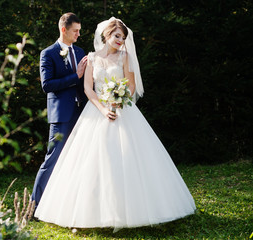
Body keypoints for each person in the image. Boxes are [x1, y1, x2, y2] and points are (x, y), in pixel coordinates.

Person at [34, 17, 196, 229]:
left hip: (122, 111)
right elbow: (88, 88)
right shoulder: (90, 57)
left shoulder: (125, 57)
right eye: (117, 36)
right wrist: (102, 108)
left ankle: (132, 210)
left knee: (128, 159)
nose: (121, 40)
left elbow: (131, 84)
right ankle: (65, 208)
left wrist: (120, 100)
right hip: (94, 112)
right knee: (85, 162)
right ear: (106, 35)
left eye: (123, 37)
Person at [31, 13, 88, 208]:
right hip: (61, 116)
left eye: (79, 31)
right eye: (75, 31)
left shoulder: (80, 52)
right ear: (64, 30)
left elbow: (87, 83)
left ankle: (68, 204)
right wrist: (75, 76)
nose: (78, 34)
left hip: (83, 113)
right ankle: (34, 205)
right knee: (52, 159)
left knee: (79, 158)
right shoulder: (48, 53)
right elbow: (47, 85)